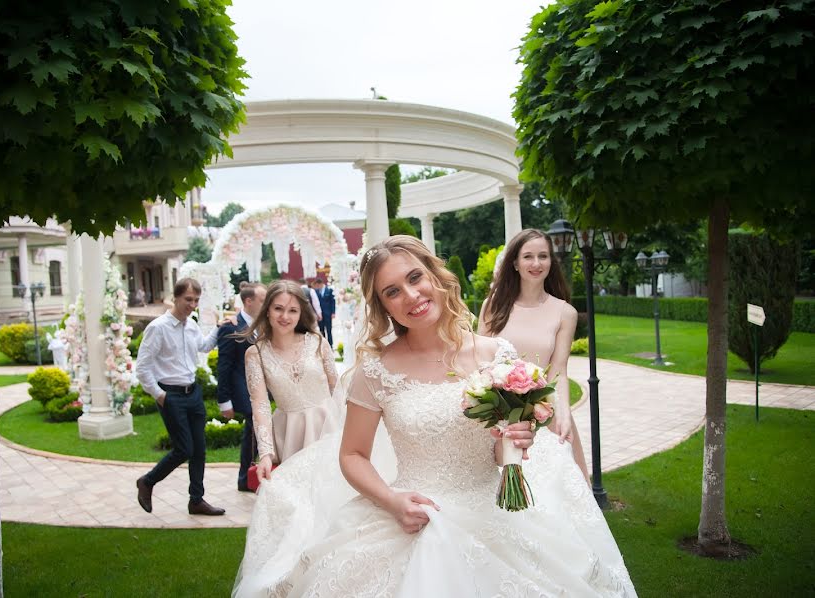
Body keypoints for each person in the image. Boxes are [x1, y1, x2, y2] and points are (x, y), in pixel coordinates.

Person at [233, 236, 635, 597]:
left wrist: (515, 438)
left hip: (491, 513)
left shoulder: (497, 355)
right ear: (383, 306)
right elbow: (352, 455)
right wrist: (391, 501)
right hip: (410, 514)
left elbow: (500, 454)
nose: (410, 295)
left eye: (415, 278)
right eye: (392, 291)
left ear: (436, 276)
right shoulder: (375, 371)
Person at [479, 228, 591, 482]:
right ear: (515, 263)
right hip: (498, 413)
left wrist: (561, 412)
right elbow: (481, 362)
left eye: (544, 256)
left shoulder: (565, 313)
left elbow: (559, 370)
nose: (536, 263)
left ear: (551, 262)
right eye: (528, 256)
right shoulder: (492, 306)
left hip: (544, 412)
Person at [134, 278, 225, 516]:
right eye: (188, 299)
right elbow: (142, 367)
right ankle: (148, 481)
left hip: (193, 393)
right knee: (184, 449)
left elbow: (204, 346)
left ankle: (196, 500)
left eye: (196, 300)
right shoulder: (158, 327)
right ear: (175, 297)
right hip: (171, 395)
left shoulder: (191, 325)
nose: (192, 305)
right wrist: (160, 395)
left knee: (200, 450)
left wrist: (220, 328)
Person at [242, 280, 342, 486]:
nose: (285, 317)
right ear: (267, 309)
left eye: (293, 310)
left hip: (329, 428)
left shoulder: (318, 342)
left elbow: (337, 389)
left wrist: (349, 432)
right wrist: (266, 454)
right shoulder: (255, 354)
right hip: (289, 435)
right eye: (278, 308)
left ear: (301, 314)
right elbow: (260, 406)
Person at [217, 282, 267, 493]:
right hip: (242, 390)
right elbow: (224, 366)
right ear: (248, 301)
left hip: (260, 390)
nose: (266, 304)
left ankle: (249, 475)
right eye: (263, 300)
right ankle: (245, 477)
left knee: (256, 433)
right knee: (254, 432)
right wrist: (224, 400)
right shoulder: (231, 327)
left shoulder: (262, 325)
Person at [311, 277, 335, 347]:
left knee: (329, 330)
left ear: (320, 284)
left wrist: (333, 312)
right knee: (321, 330)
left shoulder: (329, 290)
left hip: (328, 313)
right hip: (320, 315)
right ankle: (324, 345)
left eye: (317, 285)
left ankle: (331, 345)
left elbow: (332, 302)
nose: (317, 287)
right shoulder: (316, 291)